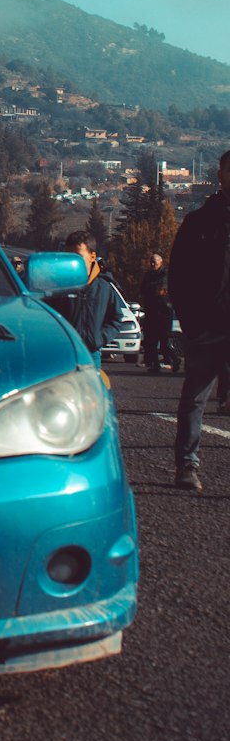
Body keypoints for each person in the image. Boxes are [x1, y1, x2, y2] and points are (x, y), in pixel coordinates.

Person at [167, 148, 230, 492]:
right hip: (206, 329)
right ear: (220, 175)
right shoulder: (198, 223)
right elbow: (177, 277)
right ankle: (187, 466)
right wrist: (192, 323)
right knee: (195, 399)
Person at [49, 229, 123, 372]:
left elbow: (116, 317)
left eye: (77, 256)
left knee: (91, 393)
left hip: (91, 356)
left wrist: (99, 338)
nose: (72, 261)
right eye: (68, 256)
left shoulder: (104, 287)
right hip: (62, 355)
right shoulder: (57, 287)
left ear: (92, 257)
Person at [140, 251, 180, 374]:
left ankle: (175, 359)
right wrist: (153, 290)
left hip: (163, 312)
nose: (152, 264)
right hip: (151, 311)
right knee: (150, 341)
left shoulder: (165, 274)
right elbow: (142, 289)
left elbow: (161, 288)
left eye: (155, 262)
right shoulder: (148, 275)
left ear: (161, 262)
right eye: (151, 262)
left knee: (164, 341)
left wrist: (153, 289)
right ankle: (155, 365)